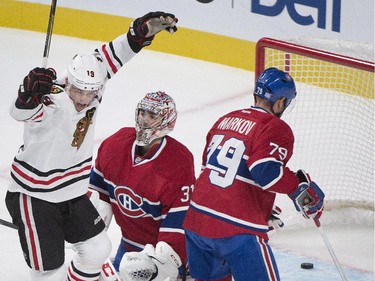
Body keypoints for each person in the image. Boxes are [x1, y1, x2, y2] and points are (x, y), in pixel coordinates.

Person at [5, 12, 178, 281]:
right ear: (68, 82)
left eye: (91, 91)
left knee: (98, 249)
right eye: (80, 91)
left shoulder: (94, 85)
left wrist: (139, 33)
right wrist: (27, 94)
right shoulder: (50, 100)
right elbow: (20, 113)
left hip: (71, 192)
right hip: (35, 196)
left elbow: (112, 55)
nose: (85, 99)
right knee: (49, 272)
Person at [183, 67, 325, 281]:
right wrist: (297, 187)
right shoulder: (275, 127)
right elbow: (265, 170)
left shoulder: (225, 120)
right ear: (279, 102)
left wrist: (261, 207)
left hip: (196, 222)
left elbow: (208, 168)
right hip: (237, 231)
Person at [88, 91, 195, 281]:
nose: (144, 120)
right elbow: (98, 194)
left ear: (167, 121)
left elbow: (179, 221)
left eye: (152, 116)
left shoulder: (178, 162)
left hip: (162, 255)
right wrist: (87, 230)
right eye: (142, 113)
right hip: (129, 246)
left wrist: (160, 264)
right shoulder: (116, 144)